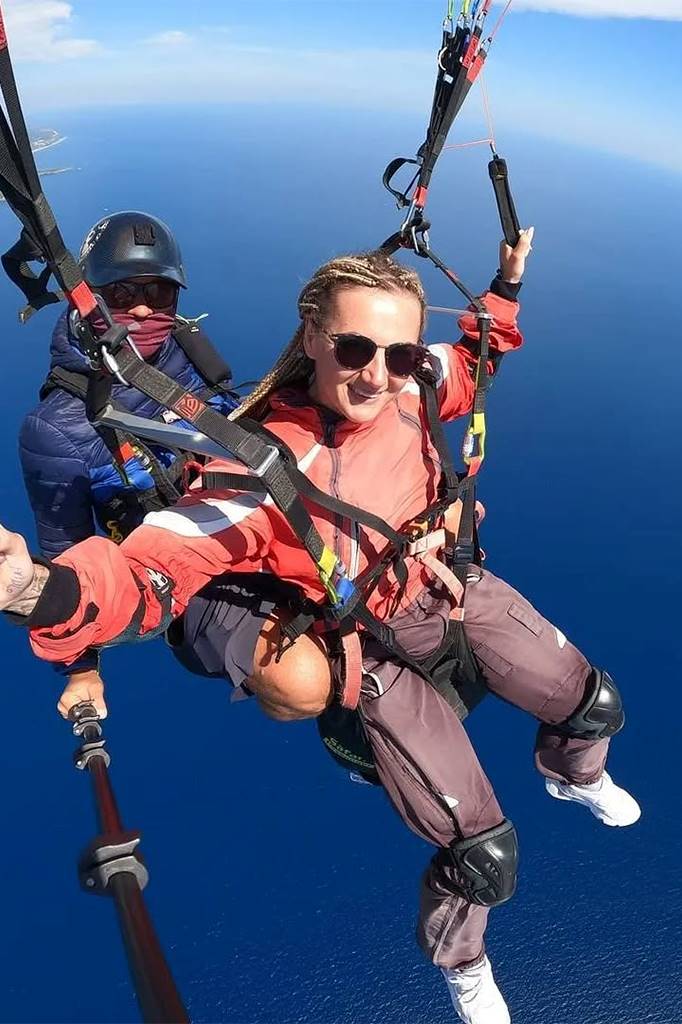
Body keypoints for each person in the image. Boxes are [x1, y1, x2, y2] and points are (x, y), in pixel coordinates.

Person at [1, 235, 640, 1024]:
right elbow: (154, 571)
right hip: (367, 642)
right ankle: (463, 959)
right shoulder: (264, 468)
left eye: (398, 353)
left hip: (443, 589)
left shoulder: (416, 382)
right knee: (483, 856)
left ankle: (573, 774)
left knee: (594, 705)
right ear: (312, 337)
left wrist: (506, 286)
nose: (377, 373)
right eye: (355, 348)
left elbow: (475, 356)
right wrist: (39, 591)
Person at [18, 211, 237, 721]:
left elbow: (233, 412)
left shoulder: (186, 349)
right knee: (292, 675)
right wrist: (80, 669)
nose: (142, 307)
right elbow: (65, 553)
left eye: (159, 292)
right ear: (86, 295)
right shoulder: (56, 430)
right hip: (173, 576)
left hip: (242, 513)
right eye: (120, 292)